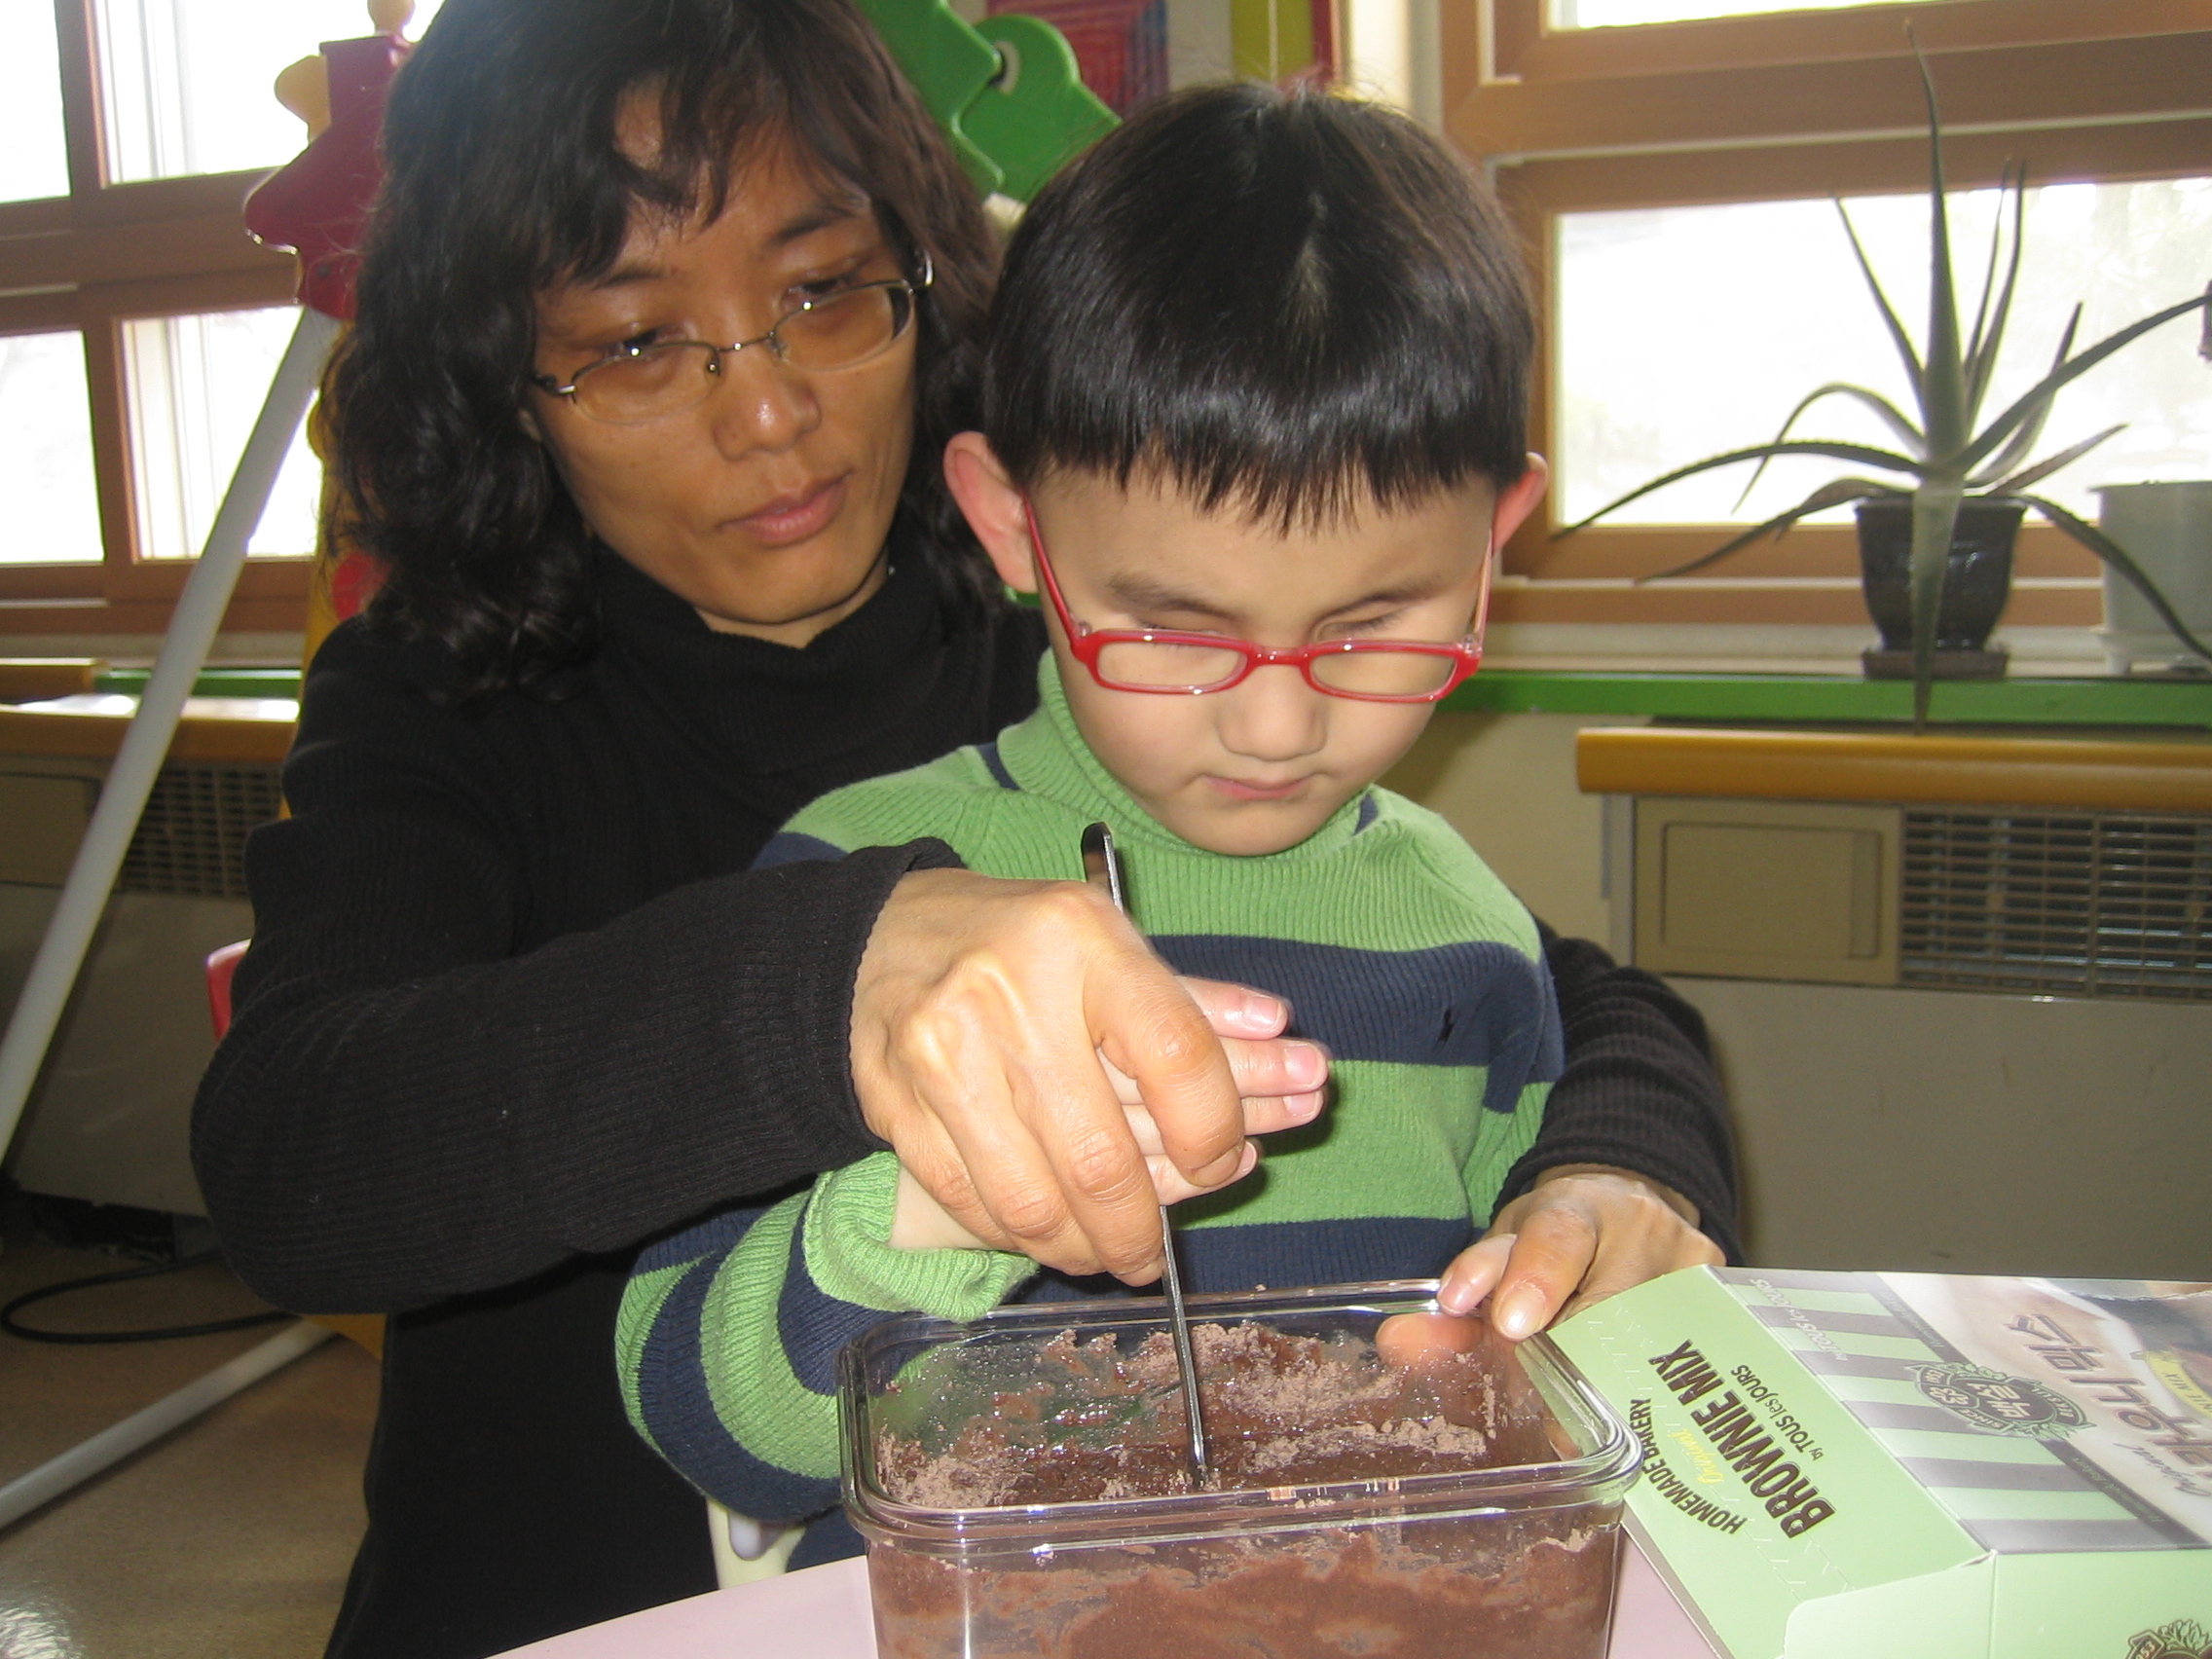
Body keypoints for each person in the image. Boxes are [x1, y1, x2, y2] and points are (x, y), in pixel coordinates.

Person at [190, 0, 1731, 1652]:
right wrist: (830, 982)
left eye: (819, 291)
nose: (765, 411)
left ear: (923, 284)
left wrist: (1616, 1167)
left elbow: (1528, 985)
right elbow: (296, 1155)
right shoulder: (441, 702)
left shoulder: (1116, 646)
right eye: (636, 341)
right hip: (565, 1587)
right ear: (508, 381)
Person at [618, 82, 1729, 1564]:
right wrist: (943, 1202)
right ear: (1016, 530)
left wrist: (1570, 1287)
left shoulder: (1466, 921)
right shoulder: (858, 898)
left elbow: (1543, 1336)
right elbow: (694, 1413)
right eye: (1170, 625)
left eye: (1376, 621)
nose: (1276, 726)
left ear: (1492, 546)